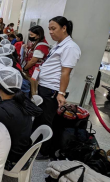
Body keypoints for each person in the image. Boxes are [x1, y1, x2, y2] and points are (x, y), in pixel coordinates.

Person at [33, 16, 81, 159]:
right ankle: (35, 143)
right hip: (45, 86)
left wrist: (61, 93)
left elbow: (66, 72)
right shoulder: (58, 45)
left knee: (47, 120)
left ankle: (44, 151)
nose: (51, 32)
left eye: (53, 29)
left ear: (64, 28)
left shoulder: (70, 47)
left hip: (52, 90)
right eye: (49, 29)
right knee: (40, 117)